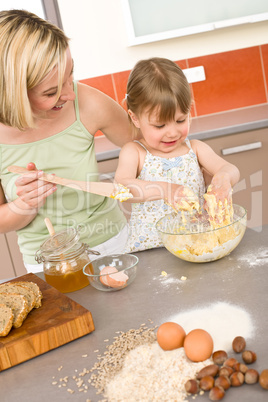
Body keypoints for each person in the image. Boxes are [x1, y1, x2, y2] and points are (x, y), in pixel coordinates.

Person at [0, 9, 133, 273]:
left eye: (70, 76)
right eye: (51, 92)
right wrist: (24, 204)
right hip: (49, 265)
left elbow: (142, 142)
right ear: (12, 94)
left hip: (114, 246)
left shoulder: (87, 102)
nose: (70, 94)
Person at [115, 57, 240, 252]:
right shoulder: (135, 152)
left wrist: (223, 178)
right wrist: (165, 190)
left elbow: (230, 169)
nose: (172, 132)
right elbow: (122, 187)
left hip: (196, 246)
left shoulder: (196, 149)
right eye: (160, 125)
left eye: (180, 120)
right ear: (135, 118)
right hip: (151, 250)